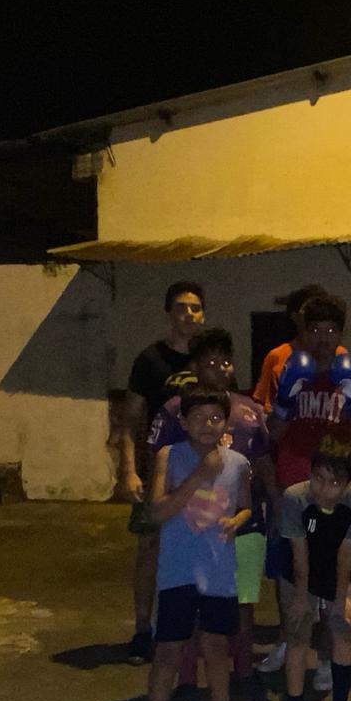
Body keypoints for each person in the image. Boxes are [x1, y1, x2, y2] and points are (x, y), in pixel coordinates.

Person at [143, 389, 260, 701]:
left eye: (215, 418)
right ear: (182, 421)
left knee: (216, 647)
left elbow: (246, 506)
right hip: (177, 572)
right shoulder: (169, 455)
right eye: (197, 417)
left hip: (218, 571)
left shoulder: (238, 463)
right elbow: (157, 512)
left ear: (226, 422)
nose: (207, 425)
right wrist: (200, 474)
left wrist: (237, 520)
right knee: (168, 653)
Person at [148, 327, 276, 680]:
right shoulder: (175, 411)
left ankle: (243, 672)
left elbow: (263, 462)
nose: (220, 369)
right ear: (195, 366)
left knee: (241, 601)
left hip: (241, 525)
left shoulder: (249, 410)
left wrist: (273, 502)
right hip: (190, 528)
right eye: (210, 362)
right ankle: (188, 677)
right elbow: (161, 466)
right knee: (189, 603)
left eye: (225, 362)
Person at [260, 294, 351, 677]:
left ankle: (326, 655)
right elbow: (273, 434)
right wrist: (285, 401)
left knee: (332, 570)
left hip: (334, 491)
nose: (323, 338)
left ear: (341, 332)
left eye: (331, 330)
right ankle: (289, 640)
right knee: (289, 571)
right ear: (304, 331)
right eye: (316, 330)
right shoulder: (287, 369)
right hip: (292, 484)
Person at [116, 280, 206, 664]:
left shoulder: (209, 359)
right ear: (169, 313)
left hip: (200, 469)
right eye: (181, 307)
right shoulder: (149, 360)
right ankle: (142, 628)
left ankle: (194, 630)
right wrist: (129, 470)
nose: (189, 314)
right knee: (149, 547)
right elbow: (129, 421)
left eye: (195, 308)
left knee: (200, 547)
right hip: (158, 467)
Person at [278, 447, 351, 701]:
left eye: (334, 483)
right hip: (296, 572)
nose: (324, 489)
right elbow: (299, 556)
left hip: (333, 568)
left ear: (348, 483)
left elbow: (346, 554)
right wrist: (301, 598)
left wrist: (341, 598)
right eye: (318, 478)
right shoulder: (294, 498)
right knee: (298, 634)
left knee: (343, 629)